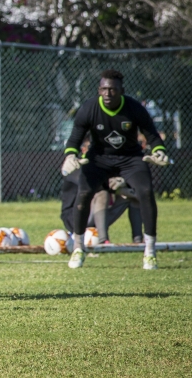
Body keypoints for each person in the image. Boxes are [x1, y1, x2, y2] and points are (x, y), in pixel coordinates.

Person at [60, 69, 169, 270]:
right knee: (84, 193)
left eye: (112, 90)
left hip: (130, 158)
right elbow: (75, 137)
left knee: (145, 192)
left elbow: (152, 135)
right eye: (104, 89)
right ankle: (78, 248)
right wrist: (70, 155)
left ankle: (150, 251)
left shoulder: (134, 108)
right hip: (99, 159)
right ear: (99, 90)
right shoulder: (89, 108)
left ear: (121, 91)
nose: (108, 93)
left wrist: (159, 151)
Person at [60, 172, 143, 244]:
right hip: (74, 217)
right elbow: (90, 184)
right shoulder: (74, 165)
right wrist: (117, 188)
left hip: (96, 214)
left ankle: (138, 240)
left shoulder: (107, 163)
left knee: (133, 196)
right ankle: (103, 240)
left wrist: (125, 183)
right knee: (102, 193)